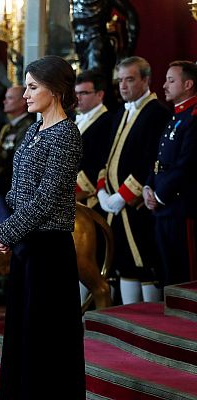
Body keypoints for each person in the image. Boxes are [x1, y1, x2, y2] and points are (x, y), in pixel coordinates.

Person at [0, 55, 85, 398]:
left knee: (46, 339)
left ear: (55, 90)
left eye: (32, 87)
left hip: (49, 252)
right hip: (26, 249)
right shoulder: (34, 128)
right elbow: (16, 191)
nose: (25, 94)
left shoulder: (66, 134)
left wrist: (6, 232)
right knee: (22, 336)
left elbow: (45, 200)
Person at [97, 56, 171, 304]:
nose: (123, 86)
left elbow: (151, 160)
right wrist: (102, 192)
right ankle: (129, 316)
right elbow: (107, 156)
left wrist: (123, 196)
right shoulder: (119, 114)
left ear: (146, 80)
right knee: (124, 262)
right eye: (120, 80)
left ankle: (151, 320)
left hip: (138, 205)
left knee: (145, 261)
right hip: (114, 205)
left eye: (130, 79)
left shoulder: (156, 112)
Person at [144, 60, 197, 285]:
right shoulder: (176, 116)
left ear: (188, 84)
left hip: (180, 205)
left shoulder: (193, 118)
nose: (164, 85)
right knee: (168, 271)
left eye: (171, 80)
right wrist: (148, 186)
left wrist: (159, 195)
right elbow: (160, 159)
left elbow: (187, 164)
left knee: (185, 273)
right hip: (164, 206)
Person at [0, 85, 35, 200]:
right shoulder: (9, 127)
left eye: (10, 98)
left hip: (10, 186)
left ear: (23, 102)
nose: (4, 101)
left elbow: (18, 159)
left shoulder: (27, 127)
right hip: (0, 186)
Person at [73, 69, 113, 208]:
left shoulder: (108, 121)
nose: (78, 98)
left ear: (100, 94)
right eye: (76, 93)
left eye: (83, 93)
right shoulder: (74, 119)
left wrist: (67, 191)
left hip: (89, 197)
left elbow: (99, 162)